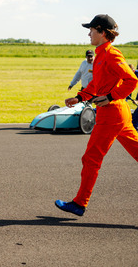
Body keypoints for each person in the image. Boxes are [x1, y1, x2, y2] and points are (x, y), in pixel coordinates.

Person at [55, 14, 138, 216]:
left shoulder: (112, 54)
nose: (89, 33)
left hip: (112, 114)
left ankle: (79, 203)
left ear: (101, 32)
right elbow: (95, 85)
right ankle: (80, 203)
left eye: (91, 30)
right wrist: (80, 97)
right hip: (118, 114)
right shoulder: (101, 55)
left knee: (91, 158)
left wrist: (110, 97)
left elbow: (132, 80)